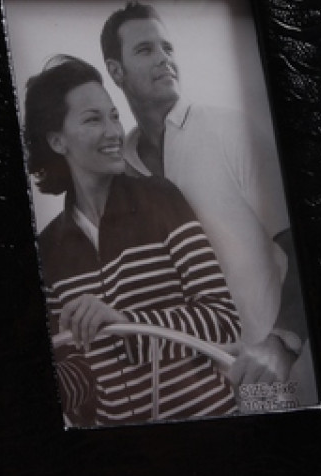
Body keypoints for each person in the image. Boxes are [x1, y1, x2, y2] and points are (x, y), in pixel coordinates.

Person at [100, 1, 318, 406]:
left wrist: (280, 344)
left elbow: (306, 248)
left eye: (168, 47)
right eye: (145, 50)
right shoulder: (121, 171)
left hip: (275, 381)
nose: (164, 59)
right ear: (116, 71)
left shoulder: (230, 130)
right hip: (192, 394)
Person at [23, 55, 241, 427]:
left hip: (209, 425)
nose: (113, 131)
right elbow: (79, 367)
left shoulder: (161, 199)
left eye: (113, 116)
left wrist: (127, 322)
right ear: (57, 141)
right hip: (122, 450)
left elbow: (222, 319)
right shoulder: (47, 250)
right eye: (93, 119)